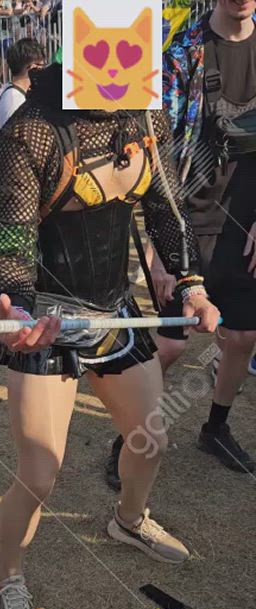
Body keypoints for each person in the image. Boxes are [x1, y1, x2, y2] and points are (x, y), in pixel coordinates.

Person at [0, 57, 220, 609]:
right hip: (45, 317)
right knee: (39, 472)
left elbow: (167, 208)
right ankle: (7, 577)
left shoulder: (145, 117)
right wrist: (10, 303)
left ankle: (129, 522)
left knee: (151, 440)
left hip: (115, 310)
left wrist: (190, 283)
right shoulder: (34, 130)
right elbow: (11, 234)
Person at [107, 0, 256, 484]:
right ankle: (127, 438)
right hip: (187, 219)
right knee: (168, 349)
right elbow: (155, 148)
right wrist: (158, 245)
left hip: (248, 224)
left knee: (242, 337)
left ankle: (215, 428)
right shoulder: (179, 55)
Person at [0, 38, 45, 128]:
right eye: (42, 66)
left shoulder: (16, 94)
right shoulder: (14, 99)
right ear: (33, 67)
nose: (43, 70)